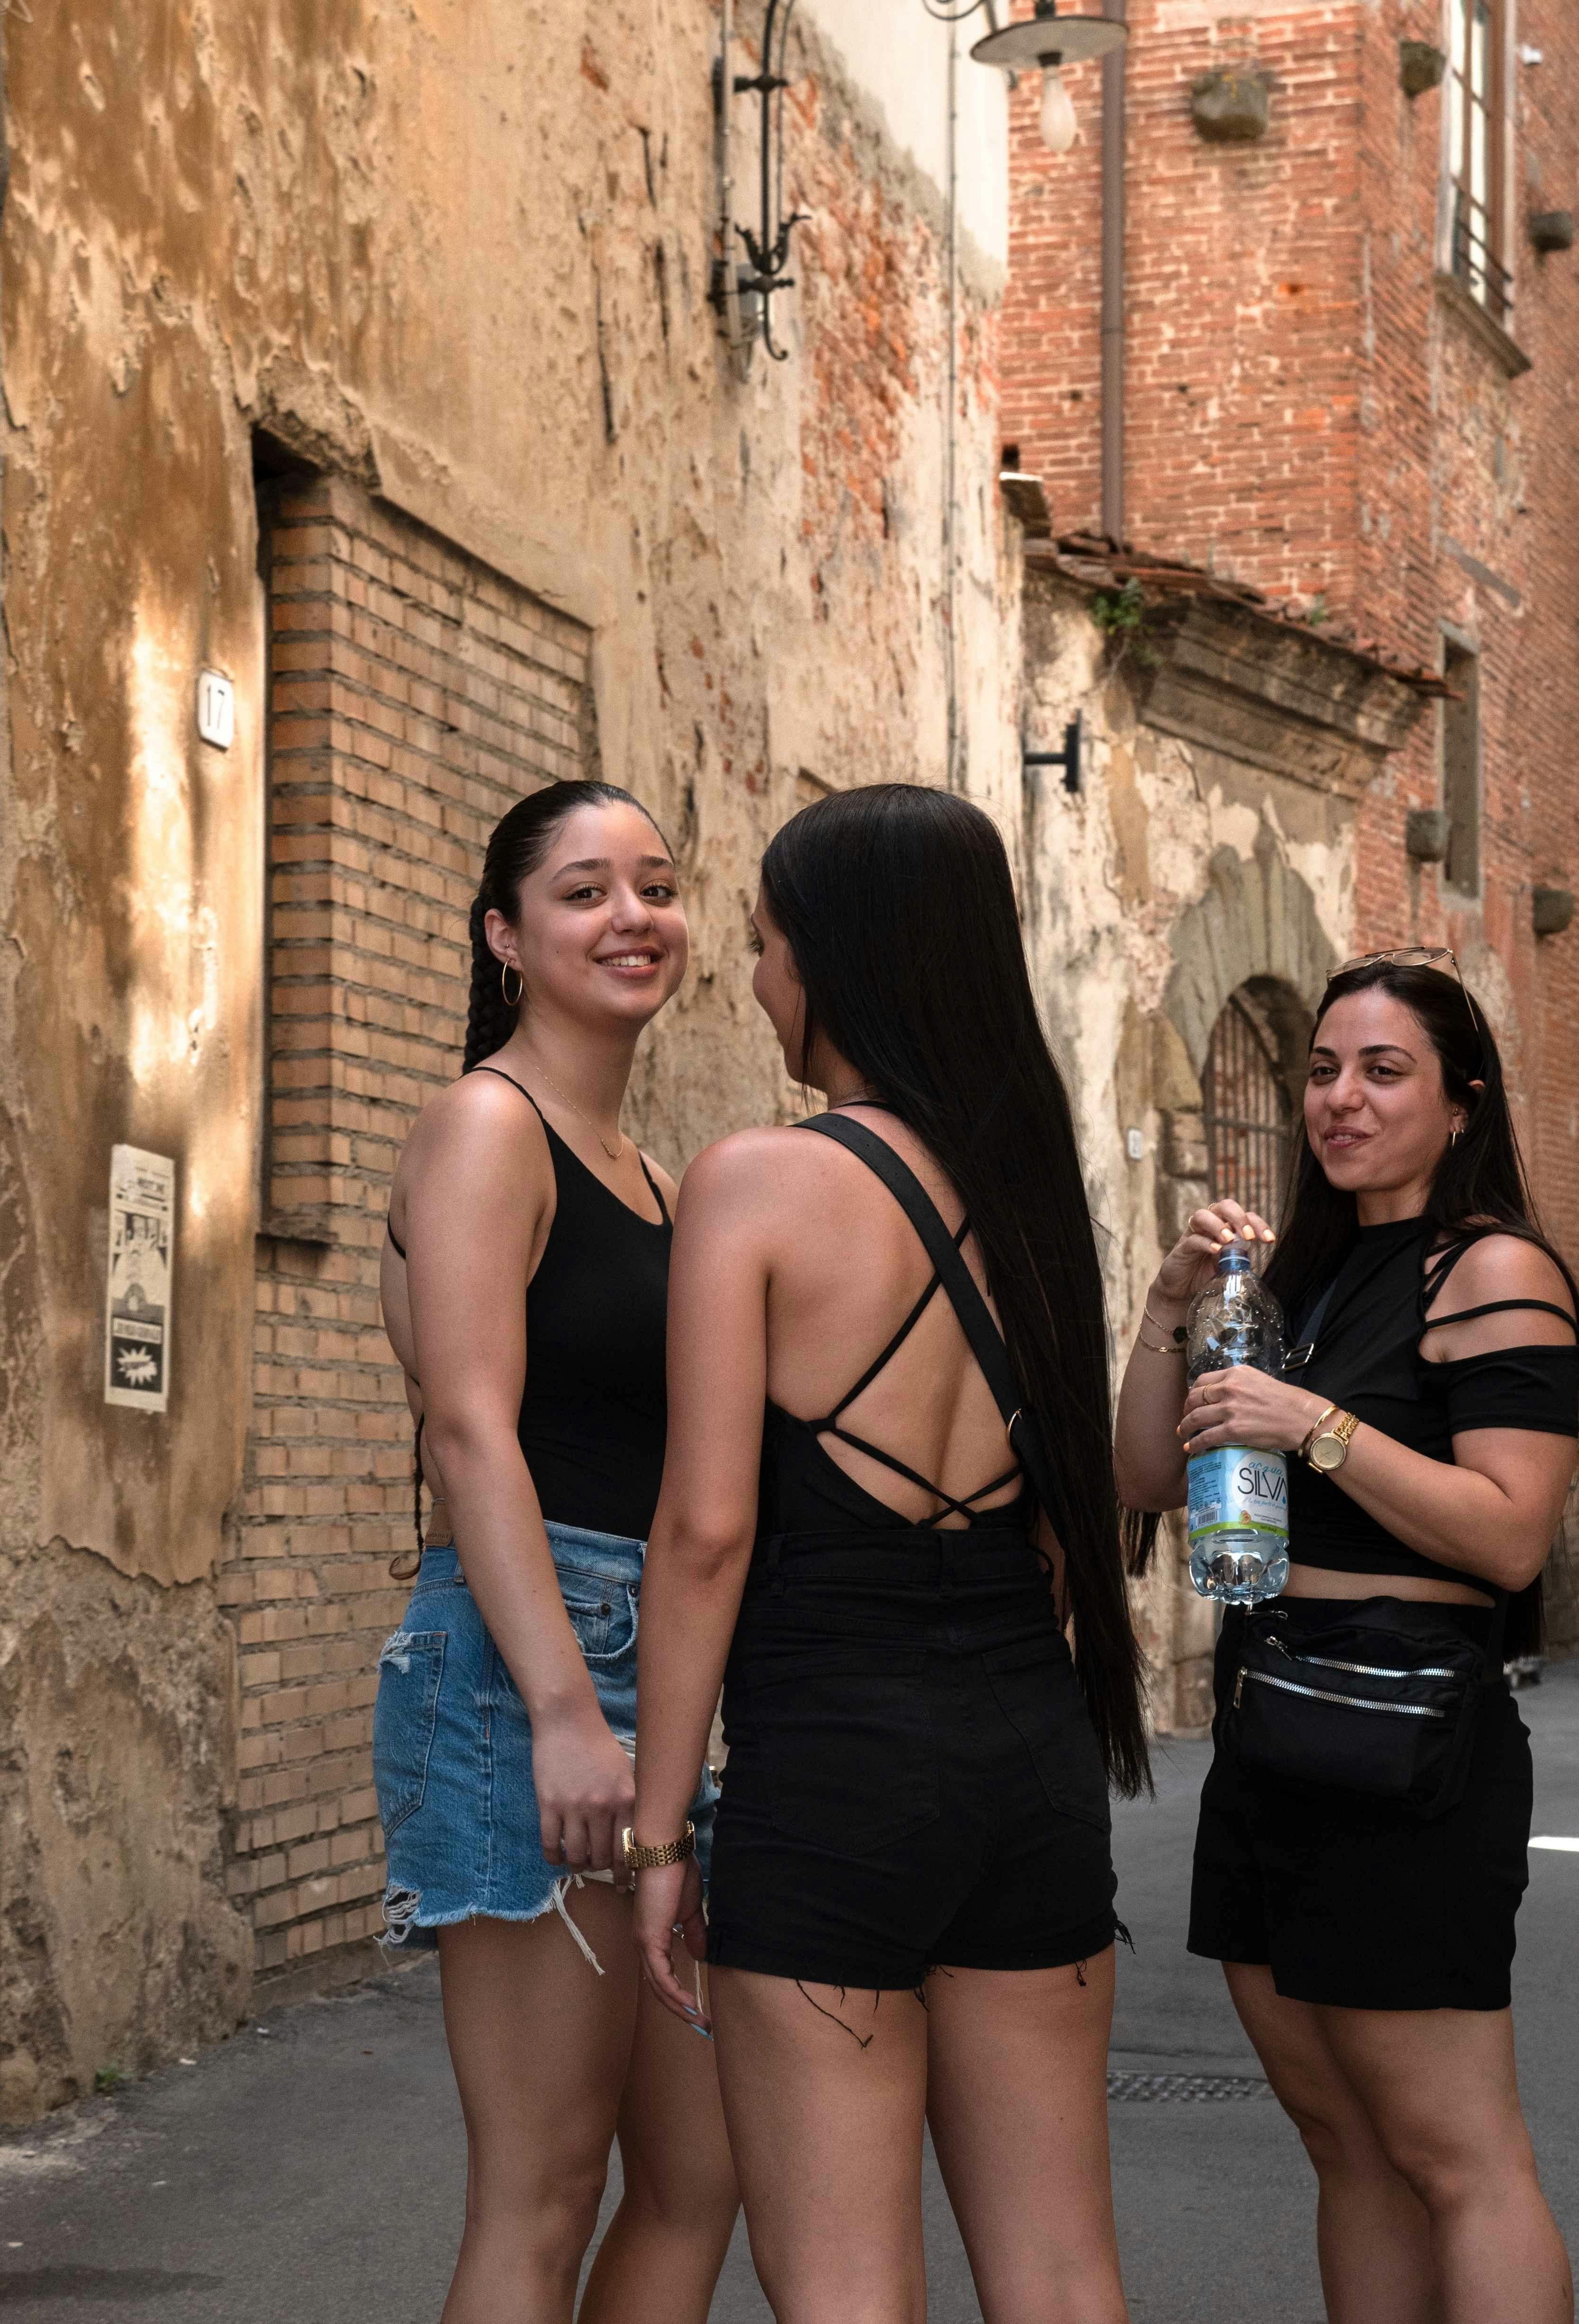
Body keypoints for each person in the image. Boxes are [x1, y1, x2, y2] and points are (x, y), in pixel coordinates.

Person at [629, 783, 1149, 2324]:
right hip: (1031, 1767)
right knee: (1062, 2272)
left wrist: (661, 1840)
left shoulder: (759, 1183)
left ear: (842, 959)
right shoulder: (1037, 1197)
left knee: (848, 2289)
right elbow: (1065, 1541)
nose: (765, 981)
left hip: (836, 1776)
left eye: (772, 946)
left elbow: (706, 1533)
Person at [1114, 952, 1577, 2324]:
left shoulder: (1494, 1268)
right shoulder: (1299, 1282)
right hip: (1276, 1729)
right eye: (1323, 1069)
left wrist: (1314, 1425)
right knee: (1343, 2146)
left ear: (1462, 1102)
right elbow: (1145, 1480)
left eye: (1385, 1072)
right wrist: (1166, 1313)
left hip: (1410, 1742)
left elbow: (1507, 1532)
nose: (1340, 1099)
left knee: (1455, 2153)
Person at [373, 783, 738, 2324]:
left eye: (655, 886)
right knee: (541, 2187)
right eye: (585, 892)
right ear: (504, 935)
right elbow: (470, 1435)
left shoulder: (654, 1174)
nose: (632, 916)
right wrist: (564, 1713)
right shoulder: (485, 1126)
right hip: (540, 1663)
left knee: (699, 2176)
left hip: (653, 1677)